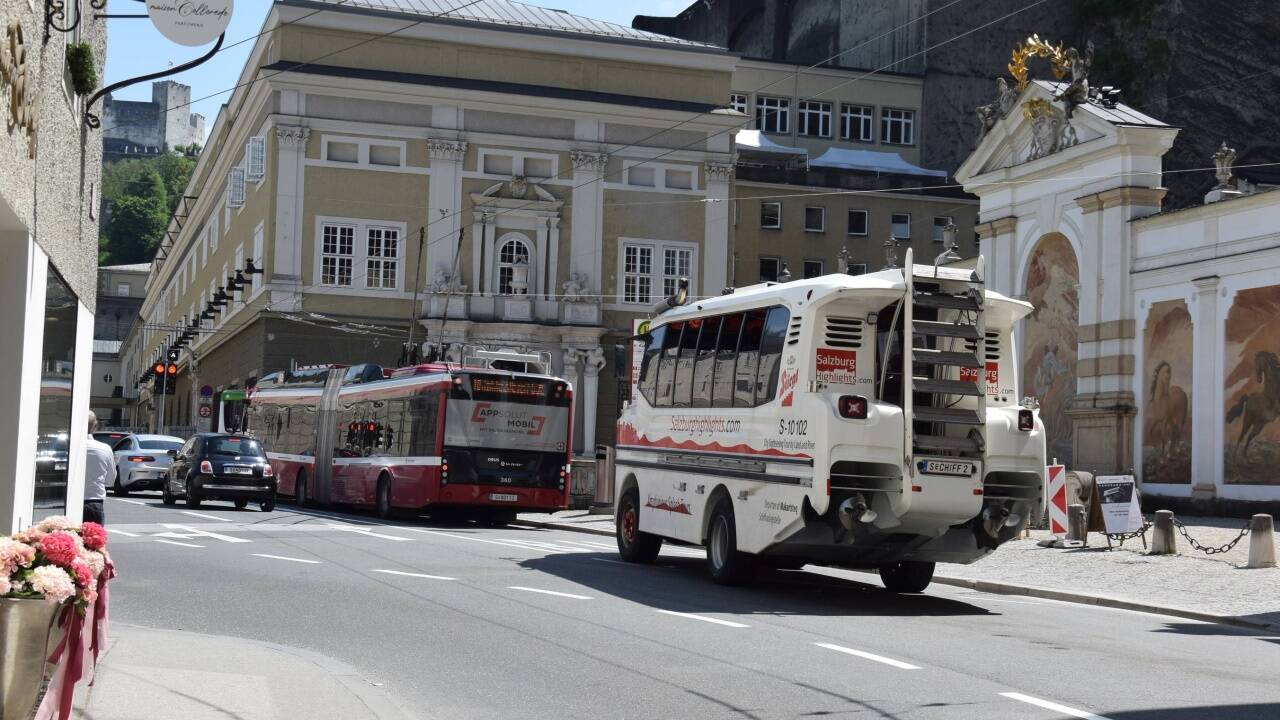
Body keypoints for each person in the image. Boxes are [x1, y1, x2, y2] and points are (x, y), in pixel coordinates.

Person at [84, 412, 114, 525]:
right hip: (94, 502)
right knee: (94, 539)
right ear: (94, 426)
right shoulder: (104, 448)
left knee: (68, 541)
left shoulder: (67, 445)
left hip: (65, 503)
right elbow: (110, 480)